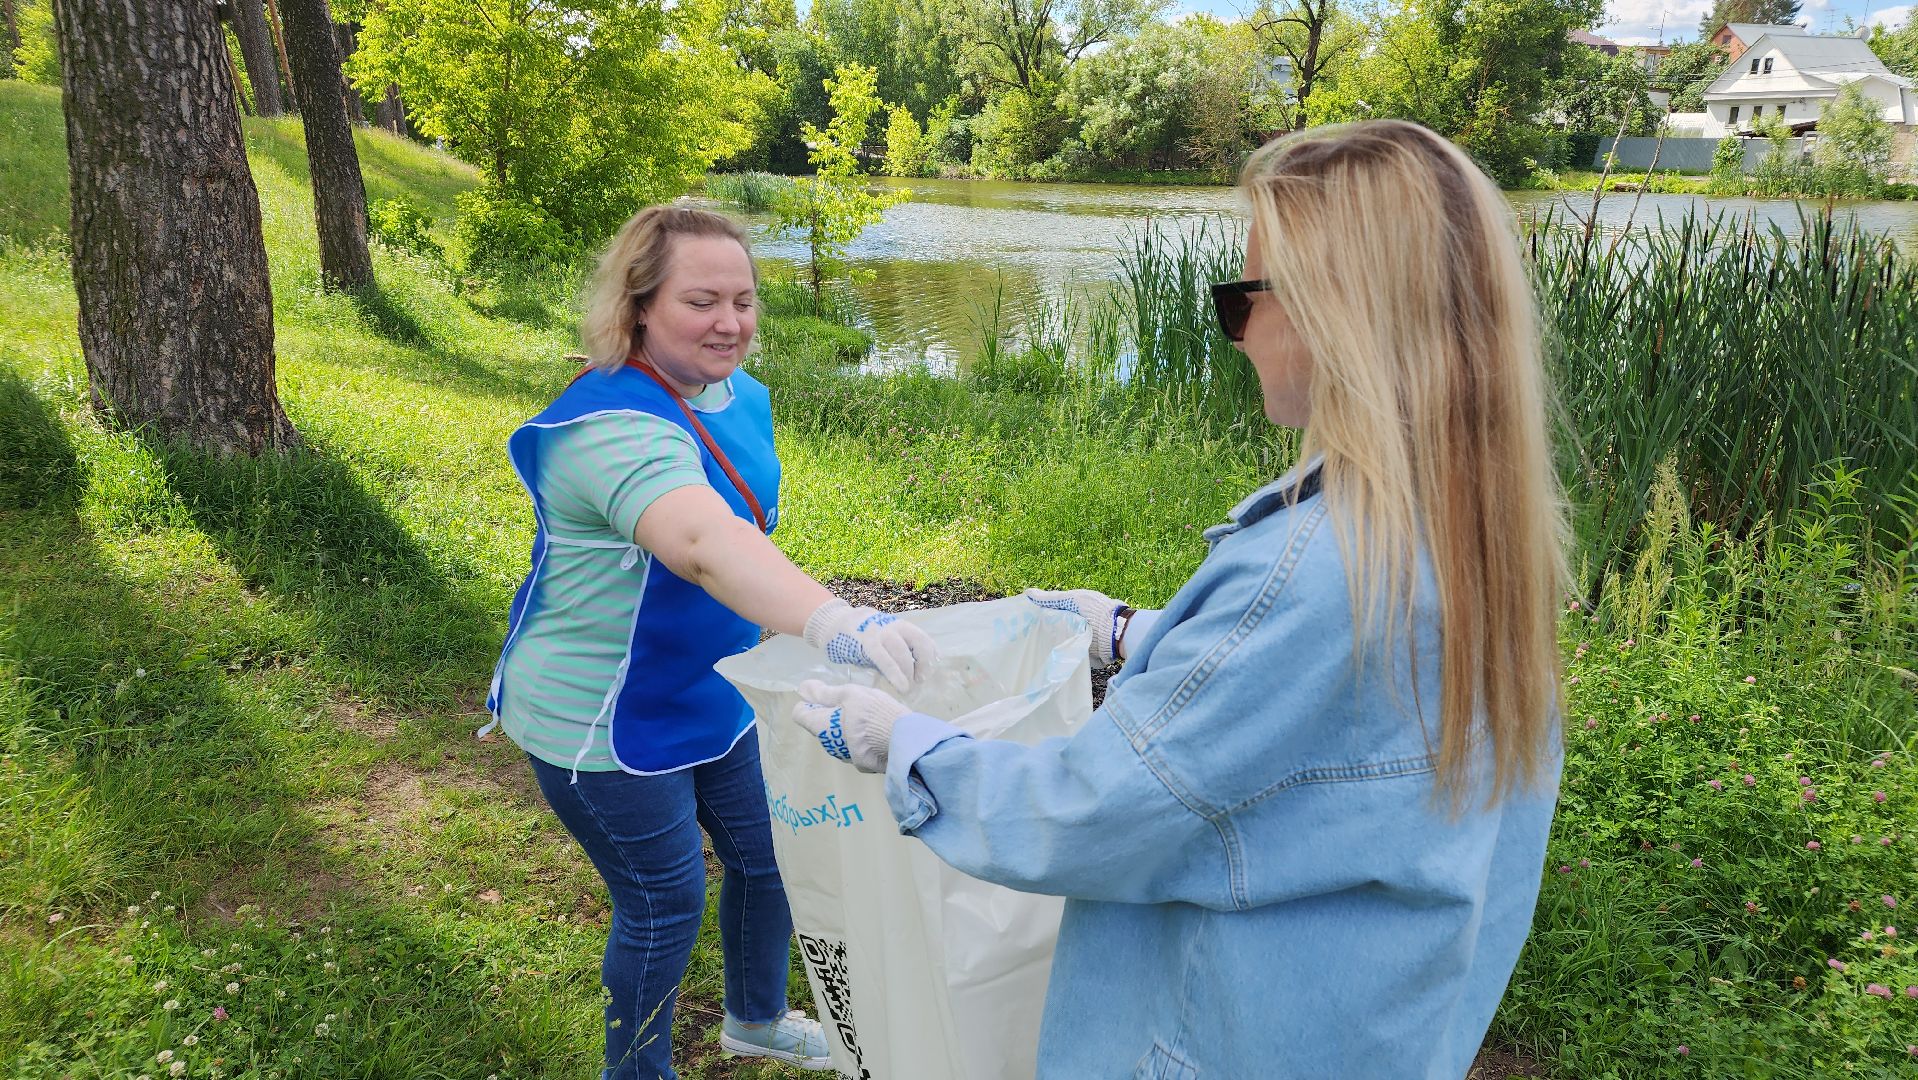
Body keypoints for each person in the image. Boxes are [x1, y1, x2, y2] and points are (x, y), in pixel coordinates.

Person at [790, 120, 1568, 1078]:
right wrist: (1132, 633)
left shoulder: (1316, 568)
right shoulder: (1476, 529)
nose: (1236, 335)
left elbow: (1096, 811)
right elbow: (1350, 711)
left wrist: (906, 745)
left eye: (1244, 298)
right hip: (1379, 1029)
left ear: (1339, 310)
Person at [484, 204, 936, 1079]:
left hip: (714, 689)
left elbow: (748, 536)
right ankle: (639, 1072)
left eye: (744, 298)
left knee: (770, 858)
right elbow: (705, 543)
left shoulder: (730, 393)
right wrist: (839, 622)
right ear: (640, 306)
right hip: (601, 715)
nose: (730, 322)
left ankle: (756, 1019)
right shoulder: (608, 427)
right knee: (663, 901)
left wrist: (784, 628)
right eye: (701, 301)